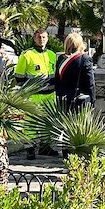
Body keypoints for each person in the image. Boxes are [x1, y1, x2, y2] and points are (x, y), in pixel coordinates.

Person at [15, 28, 57, 159]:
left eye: (44, 37)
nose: (42, 39)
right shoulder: (26, 55)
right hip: (32, 95)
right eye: (39, 37)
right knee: (30, 124)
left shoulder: (52, 55)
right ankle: (30, 148)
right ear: (34, 38)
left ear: (48, 38)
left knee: (47, 121)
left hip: (50, 95)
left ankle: (45, 147)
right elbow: (19, 77)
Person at [55, 32, 95, 111]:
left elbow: (57, 81)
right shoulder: (84, 59)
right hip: (79, 100)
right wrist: (92, 102)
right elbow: (90, 83)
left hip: (63, 100)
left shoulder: (61, 59)